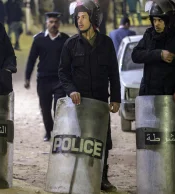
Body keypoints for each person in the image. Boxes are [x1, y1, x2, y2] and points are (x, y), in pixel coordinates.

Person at [59, 0, 121, 191]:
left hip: (101, 101)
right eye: (77, 18)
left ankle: (102, 177)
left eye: (83, 17)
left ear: (93, 19)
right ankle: (81, 175)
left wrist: (116, 98)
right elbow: (63, 72)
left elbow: (113, 72)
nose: (80, 21)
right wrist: (71, 90)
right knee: (81, 141)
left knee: (102, 140)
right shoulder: (70, 45)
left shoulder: (107, 43)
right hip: (80, 103)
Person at [132, 0, 175, 101]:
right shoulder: (149, 35)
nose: (156, 24)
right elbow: (135, 55)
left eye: (160, 20)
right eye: (154, 20)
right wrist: (158, 54)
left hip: (171, 97)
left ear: (169, 20)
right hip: (148, 97)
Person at [24, 12, 69, 141]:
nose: (53, 24)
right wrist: (27, 77)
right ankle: (49, 131)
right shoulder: (38, 39)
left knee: (59, 108)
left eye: (56, 22)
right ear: (46, 23)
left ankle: (58, 133)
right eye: (51, 22)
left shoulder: (65, 39)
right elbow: (32, 59)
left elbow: (70, 61)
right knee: (45, 109)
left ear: (59, 24)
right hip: (43, 80)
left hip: (60, 80)